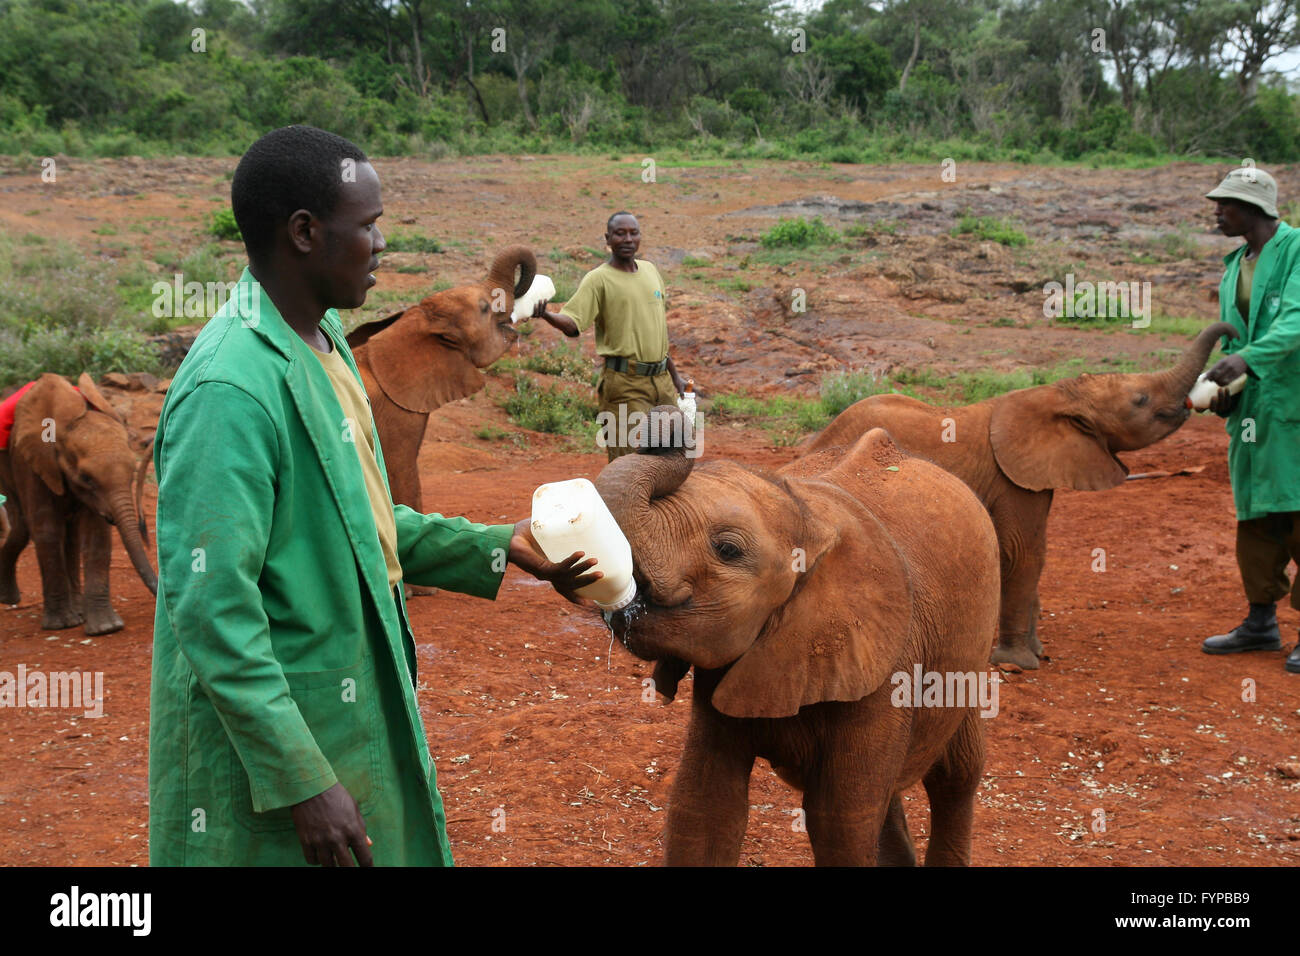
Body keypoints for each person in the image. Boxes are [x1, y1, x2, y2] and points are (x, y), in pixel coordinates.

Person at [148, 125, 598, 867]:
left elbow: (356, 520)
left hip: (346, 717)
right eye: (368, 224)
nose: (382, 242)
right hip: (275, 768)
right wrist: (300, 781)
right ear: (304, 232)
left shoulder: (322, 342)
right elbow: (211, 609)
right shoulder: (229, 388)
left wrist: (495, 545)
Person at [1199, 166, 1300, 673]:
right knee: (1257, 516)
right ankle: (1261, 622)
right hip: (1253, 411)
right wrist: (1228, 390)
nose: (1217, 212)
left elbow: (1296, 321)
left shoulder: (1296, 250)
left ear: (1254, 208)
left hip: (1292, 406)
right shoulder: (1236, 262)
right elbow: (1236, 338)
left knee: (1298, 510)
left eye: (1226, 204)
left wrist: (1247, 360)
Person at [532, 211, 687, 460]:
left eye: (633, 233)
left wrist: (675, 377)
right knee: (629, 463)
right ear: (608, 238)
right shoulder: (598, 279)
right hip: (625, 384)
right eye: (620, 233)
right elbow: (573, 325)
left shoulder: (650, 271)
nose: (627, 239)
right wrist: (547, 315)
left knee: (673, 456)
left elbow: (656, 331)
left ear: (640, 237)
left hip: (663, 382)